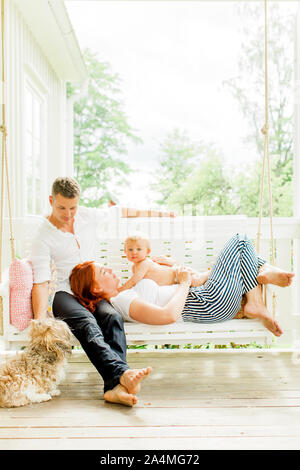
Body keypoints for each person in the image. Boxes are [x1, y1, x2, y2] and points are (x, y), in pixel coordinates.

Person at [30, 176, 174, 407]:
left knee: (112, 317)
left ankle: (113, 388)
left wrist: (162, 214)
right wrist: (39, 320)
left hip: (92, 289)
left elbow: (122, 211)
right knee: (87, 323)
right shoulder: (43, 236)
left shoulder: (86, 215)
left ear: (79, 202)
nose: (68, 214)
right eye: (61, 208)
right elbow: (41, 280)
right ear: (50, 200)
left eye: (73, 207)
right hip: (64, 293)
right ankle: (123, 374)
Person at [69, 233, 295, 338]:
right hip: (207, 301)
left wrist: (175, 269)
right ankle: (261, 278)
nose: (109, 269)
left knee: (244, 252)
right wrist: (185, 284)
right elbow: (167, 315)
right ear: (96, 288)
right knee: (240, 241)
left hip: (208, 299)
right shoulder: (121, 300)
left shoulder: (123, 294)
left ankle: (260, 281)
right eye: (102, 271)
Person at [118, 231, 210, 292]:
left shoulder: (144, 263)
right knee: (197, 282)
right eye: (130, 249)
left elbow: (133, 281)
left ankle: (209, 273)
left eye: (139, 249)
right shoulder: (135, 267)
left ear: (147, 252)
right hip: (176, 281)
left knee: (197, 281)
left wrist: (120, 290)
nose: (134, 252)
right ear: (125, 252)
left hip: (179, 274)